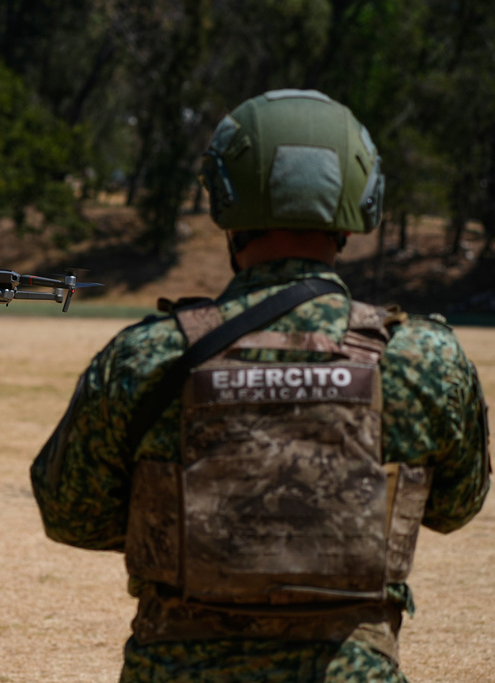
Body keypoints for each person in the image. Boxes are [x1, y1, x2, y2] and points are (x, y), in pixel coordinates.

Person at [30, 89, 490, 682]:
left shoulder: (147, 357)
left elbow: (71, 513)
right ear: (361, 199)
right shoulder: (423, 358)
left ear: (226, 195)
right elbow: (454, 508)